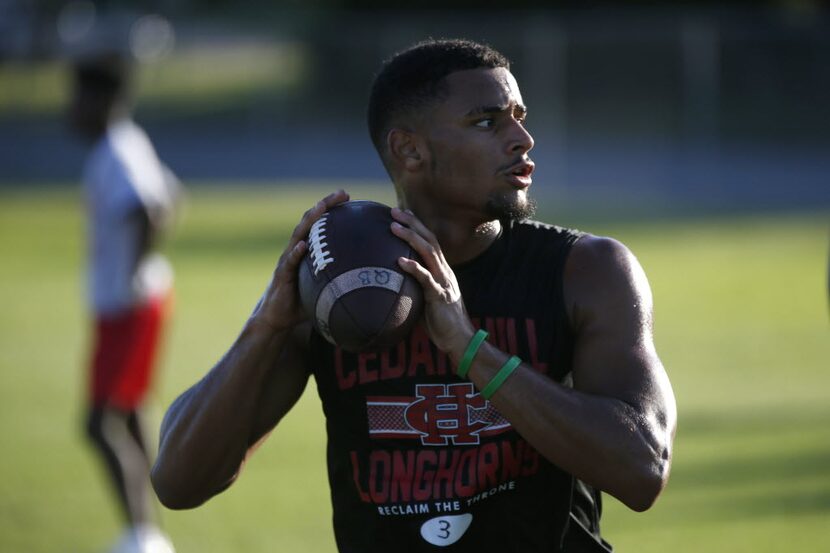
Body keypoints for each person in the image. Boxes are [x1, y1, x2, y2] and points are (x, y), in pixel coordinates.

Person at [151, 38, 676, 552]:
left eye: (519, 115)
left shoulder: (586, 270)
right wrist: (266, 326)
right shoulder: (338, 287)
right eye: (488, 121)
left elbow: (642, 470)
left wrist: (471, 350)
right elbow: (178, 483)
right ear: (409, 149)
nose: (522, 138)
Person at [70, 51, 180, 553]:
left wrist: (134, 270)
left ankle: (141, 535)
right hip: (133, 303)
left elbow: (152, 209)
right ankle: (148, 530)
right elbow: (172, 197)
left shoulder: (117, 149)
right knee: (130, 413)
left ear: (103, 100)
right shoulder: (126, 144)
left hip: (128, 306)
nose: (70, 108)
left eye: (78, 96)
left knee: (98, 423)